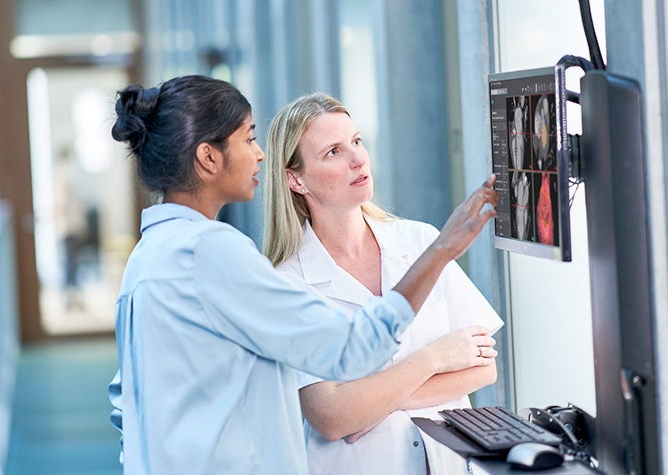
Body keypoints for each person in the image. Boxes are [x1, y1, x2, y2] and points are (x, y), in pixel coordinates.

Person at [106, 75, 499, 475]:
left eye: (357, 142)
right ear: (209, 158)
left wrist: (368, 401)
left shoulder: (148, 258)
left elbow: (125, 407)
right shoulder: (212, 252)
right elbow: (350, 360)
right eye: (247, 139)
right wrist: (441, 257)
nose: (260, 155)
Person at [262, 92, 505, 475]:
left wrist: (369, 402)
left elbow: (483, 369)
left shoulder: (420, 242)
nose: (358, 159)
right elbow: (331, 416)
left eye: (357, 142)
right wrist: (435, 358)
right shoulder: (286, 284)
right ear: (295, 180)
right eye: (333, 152)